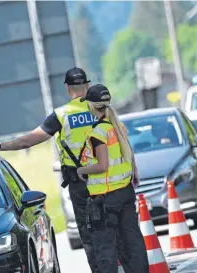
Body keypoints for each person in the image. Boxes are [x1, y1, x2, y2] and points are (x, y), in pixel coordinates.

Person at [0, 67, 128, 272]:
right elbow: (122, 140)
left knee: (90, 236)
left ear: (68, 89)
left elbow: (27, 140)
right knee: (116, 231)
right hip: (110, 181)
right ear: (87, 86)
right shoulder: (103, 109)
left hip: (80, 184)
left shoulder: (61, 115)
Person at [76, 84, 149, 273]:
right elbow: (128, 153)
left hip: (106, 198)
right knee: (132, 241)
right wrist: (134, 174)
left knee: (105, 247)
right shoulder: (118, 126)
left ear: (92, 106)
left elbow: (102, 165)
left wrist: (82, 171)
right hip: (125, 191)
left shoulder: (98, 132)